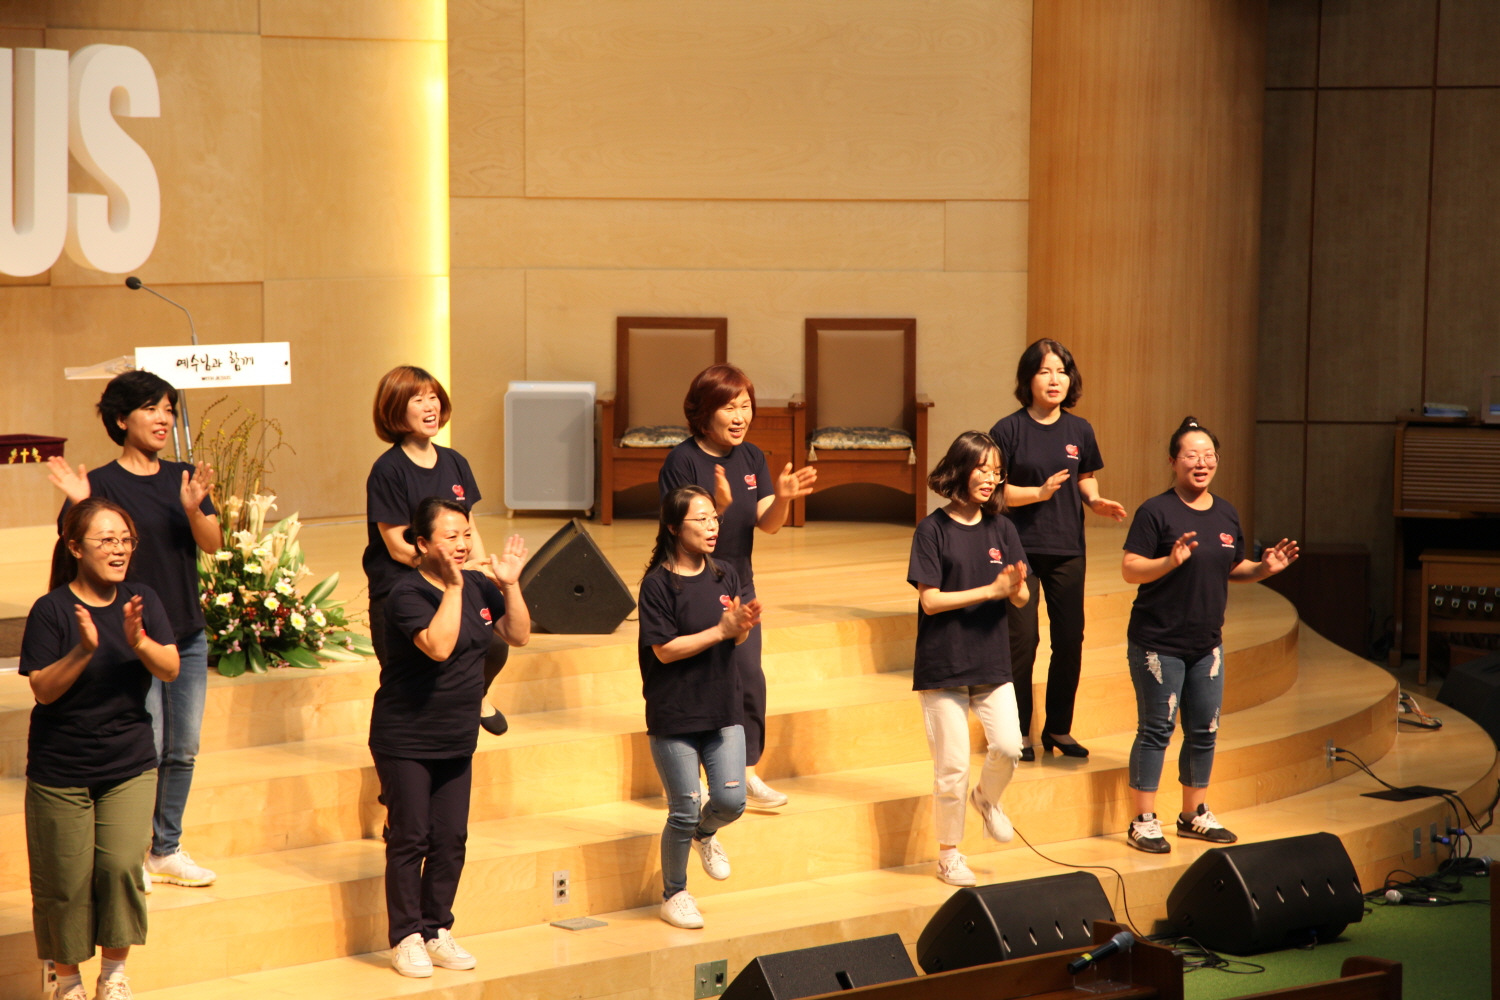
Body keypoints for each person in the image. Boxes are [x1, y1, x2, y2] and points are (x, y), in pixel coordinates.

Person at [46, 370, 220, 889]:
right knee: (148, 743)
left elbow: (212, 543)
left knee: (183, 747)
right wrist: (77, 501)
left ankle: (165, 849)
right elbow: (72, 544)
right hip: (128, 635)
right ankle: (129, 850)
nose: (163, 418)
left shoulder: (183, 477)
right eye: (150, 408)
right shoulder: (100, 483)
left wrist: (194, 509)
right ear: (121, 419)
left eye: (168, 409)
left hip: (184, 630)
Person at [21, 498, 181, 1000]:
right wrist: (83, 650)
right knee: (65, 880)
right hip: (61, 769)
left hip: (129, 763)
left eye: (126, 540)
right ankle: (67, 982)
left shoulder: (142, 599)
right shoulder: (52, 610)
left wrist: (139, 641)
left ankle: (113, 976)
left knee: (119, 870)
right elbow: (43, 689)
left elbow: (170, 667)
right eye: (107, 540)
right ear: (75, 547)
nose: (119, 549)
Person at [1121, 417, 1298, 853]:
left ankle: (1192, 815)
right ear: (1173, 461)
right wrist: (1169, 561)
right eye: (1191, 455)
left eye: (1209, 455)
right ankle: (1143, 821)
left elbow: (1231, 567)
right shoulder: (1155, 511)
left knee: (1204, 729)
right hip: (1158, 642)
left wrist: (1263, 569)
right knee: (1156, 729)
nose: (1201, 463)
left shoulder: (1226, 512)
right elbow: (1130, 569)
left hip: (1207, 644)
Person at [370, 498, 530, 977]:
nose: (462, 545)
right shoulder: (406, 593)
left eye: (466, 535)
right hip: (406, 737)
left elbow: (517, 634)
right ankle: (405, 937)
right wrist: (456, 586)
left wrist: (510, 584)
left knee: (451, 838)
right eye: (450, 536)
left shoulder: (480, 585)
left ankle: (435, 929)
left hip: (456, 737)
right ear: (422, 544)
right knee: (410, 837)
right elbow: (438, 647)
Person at [658, 365, 815, 809]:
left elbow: (768, 524)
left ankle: (746, 772)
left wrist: (783, 498)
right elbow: (678, 529)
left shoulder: (751, 458)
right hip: (691, 583)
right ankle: (693, 779)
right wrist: (719, 509)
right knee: (698, 681)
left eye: (745, 406)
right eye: (730, 407)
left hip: (738, 583)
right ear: (704, 412)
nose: (740, 416)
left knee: (748, 680)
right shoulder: (682, 461)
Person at [990, 339, 1126, 762]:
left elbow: (1084, 477)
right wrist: (1038, 492)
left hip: (1067, 547)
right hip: (1019, 548)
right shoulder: (1007, 430)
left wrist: (1095, 500)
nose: (1055, 379)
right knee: (1023, 640)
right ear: (1028, 379)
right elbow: (994, 492)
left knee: (1069, 639)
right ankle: (1019, 732)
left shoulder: (1079, 430)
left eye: (1062, 371)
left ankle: (1058, 728)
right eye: (1045, 371)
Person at [907, 432, 1030, 887]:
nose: (991, 478)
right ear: (960, 469)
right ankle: (949, 855)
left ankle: (987, 799)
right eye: (983, 468)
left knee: (1010, 747)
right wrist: (991, 590)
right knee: (952, 767)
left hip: (991, 662)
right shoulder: (932, 530)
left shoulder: (1003, 529)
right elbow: (930, 601)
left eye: (997, 471)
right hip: (944, 666)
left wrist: (1014, 589)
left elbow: (1021, 597)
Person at [363, 365, 510, 735]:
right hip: (403, 587)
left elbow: (469, 528)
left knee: (494, 646)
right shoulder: (388, 470)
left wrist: (481, 570)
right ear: (396, 410)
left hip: (452, 582)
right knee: (408, 679)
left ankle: (476, 694)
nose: (430, 406)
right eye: (418, 400)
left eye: (433, 398)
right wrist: (453, 570)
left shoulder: (455, 461)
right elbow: (398, 547)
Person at [638, 485, 759, 928]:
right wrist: (722, 630)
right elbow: (665, 650)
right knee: (684, 809)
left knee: (730, 801)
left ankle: (704, 834)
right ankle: (675, 894)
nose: (712, 527)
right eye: (701, 519)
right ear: (674, 527)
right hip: (675, 713)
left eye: (714, 518)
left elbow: (737, 637)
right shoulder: (657, 585)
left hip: (723, 705)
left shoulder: (726, 573)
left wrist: (741, 627)